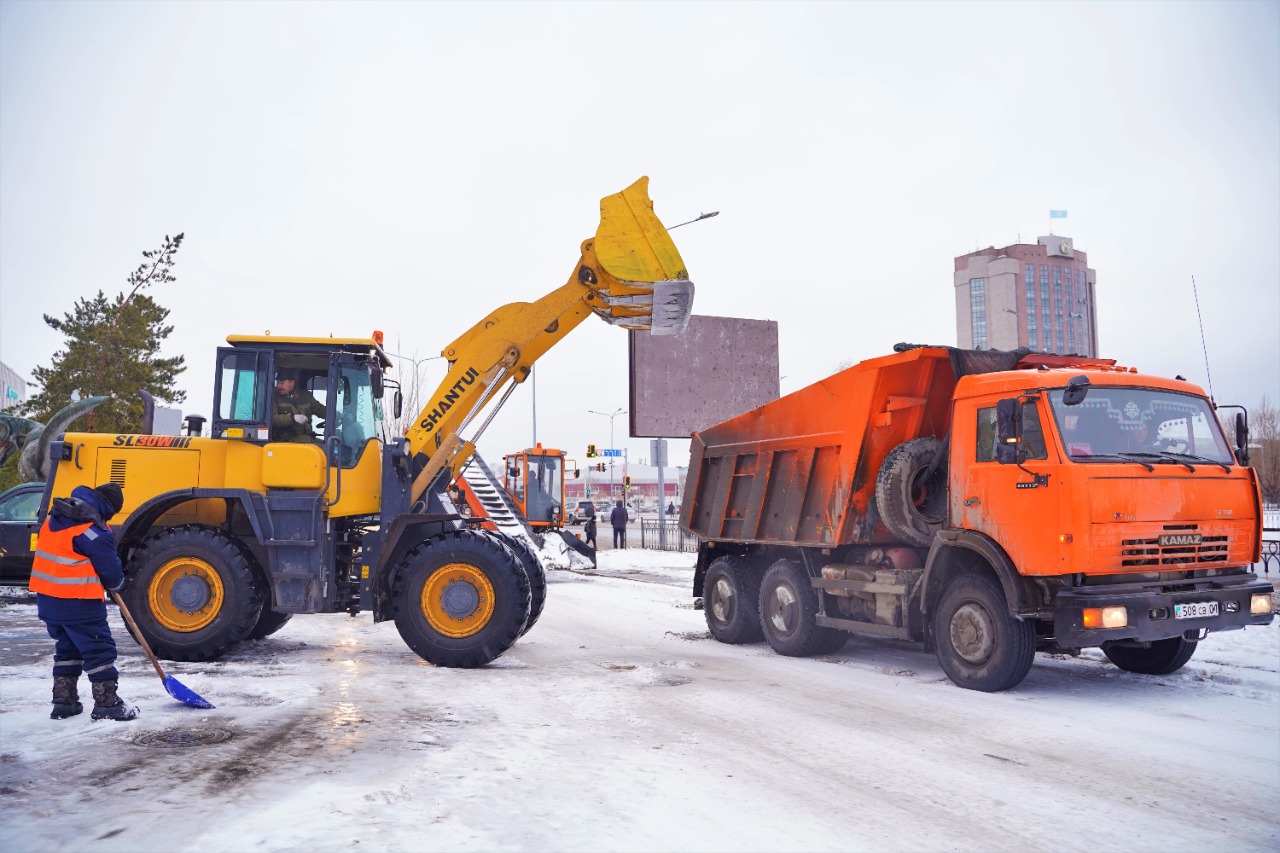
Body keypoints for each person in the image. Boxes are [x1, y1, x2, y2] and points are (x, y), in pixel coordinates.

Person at [29, 482, 139, 721]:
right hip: (78, 601)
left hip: (48, 602)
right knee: (99, 649)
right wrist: (117, 584)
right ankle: (107, 703)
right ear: (107, 507)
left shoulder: (54, 519)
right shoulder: (92, 531)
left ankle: (64, 702)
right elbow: (110, 569)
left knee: (68, 648)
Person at [271, 368, 324, 442]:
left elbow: (320, 410)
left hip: (306, 436)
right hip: (284, 439)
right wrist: (293, 418)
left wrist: (337, 416)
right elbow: (272, 419)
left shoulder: (306, 396)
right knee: (308, 441)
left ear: (292, 383)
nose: (279, 386)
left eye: (282, 383)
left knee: (327, 444)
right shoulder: (273, 396)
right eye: (278, 382)